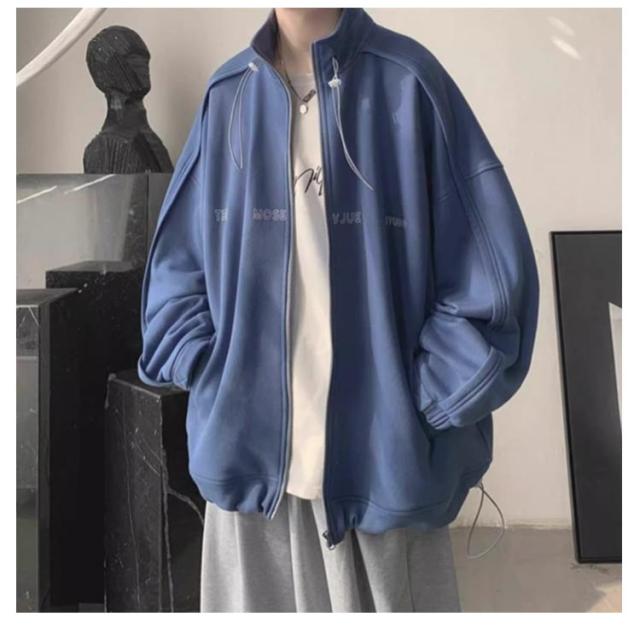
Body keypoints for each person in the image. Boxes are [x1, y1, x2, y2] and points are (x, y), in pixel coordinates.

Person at [137, 7, 540, 612]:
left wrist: (416, 407)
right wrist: (218, 380)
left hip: (384, 477)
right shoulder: (228, 96)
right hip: (250, 487)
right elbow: (176, 273)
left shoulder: (409, 82)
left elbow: (492, 277)